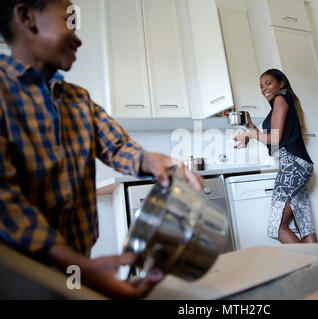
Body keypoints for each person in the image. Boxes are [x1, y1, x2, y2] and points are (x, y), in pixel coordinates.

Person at [0, 0, 203, 299]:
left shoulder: (77, 99)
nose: (78, 38)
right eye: (70, 21)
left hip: (75, 261)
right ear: (27, 17)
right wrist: (80, 267)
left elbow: (119, 147)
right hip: (20, 275)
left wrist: (155, 161)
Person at [234, 69, 318, 244]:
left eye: (268, 83)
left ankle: (307, 265)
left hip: (292, 166)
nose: (264, 88)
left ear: (281, 83)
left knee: (278, 226)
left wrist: (250, 135)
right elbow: (273, 143)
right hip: (299, 166)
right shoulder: (281, 104)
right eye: (261, 86)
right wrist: (252, 128)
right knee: (304, 225)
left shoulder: (280, 99)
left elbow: (275, 139)